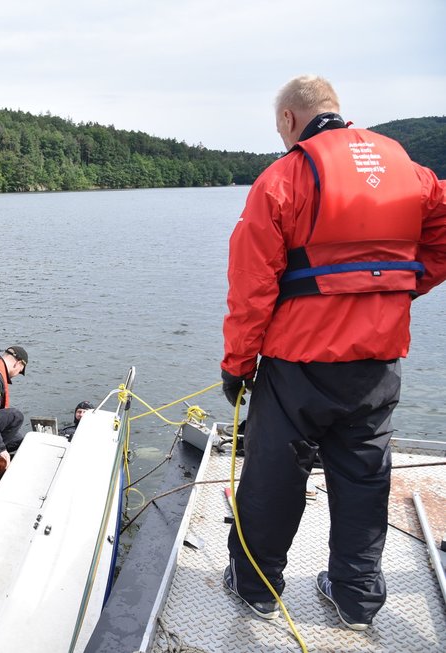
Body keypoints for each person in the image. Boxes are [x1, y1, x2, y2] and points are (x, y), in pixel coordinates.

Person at [219, 75, 446, 630]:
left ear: (292, 121)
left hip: (299, 367)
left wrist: (237, 365)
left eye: (280, 130)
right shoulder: (411, 174)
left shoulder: (284, 178)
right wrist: (396, 290)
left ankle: (256, 586)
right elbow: (439, 243)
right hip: (376, 364)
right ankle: (356, 601)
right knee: (365, 478)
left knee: (274, 476)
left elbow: (251, 286)